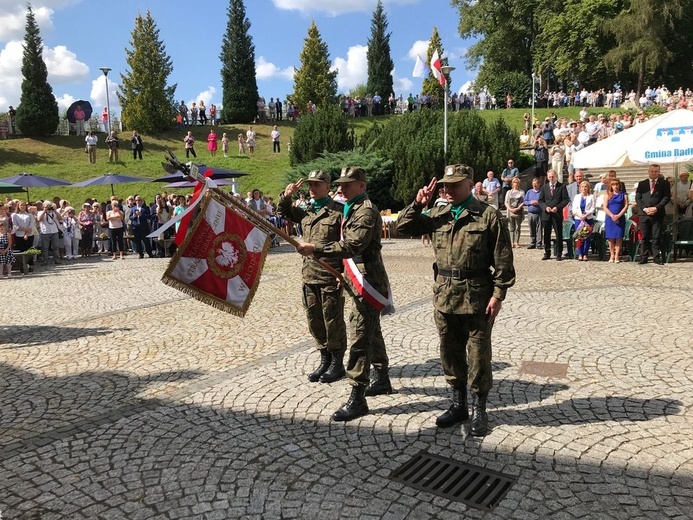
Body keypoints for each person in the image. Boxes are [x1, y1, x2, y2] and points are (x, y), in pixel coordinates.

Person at [396, 164, 516, 436]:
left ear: (470, 184)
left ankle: (479, 408)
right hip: (445, 297)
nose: (447, 189)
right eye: (445, 185)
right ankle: (458, 404)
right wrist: (418, 202)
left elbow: (503, 262)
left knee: (478, 356)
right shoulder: (437, 214)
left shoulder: (488, 216)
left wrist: (499, 295)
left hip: (477, 298)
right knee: (449, 353)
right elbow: (404, 226)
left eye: (454, 185)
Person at [296, 167, 393, 422]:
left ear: (362, 185)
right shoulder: (351, 207)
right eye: (340, 184)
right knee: (371, 330)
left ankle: (357, 397)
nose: (341, 188)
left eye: (347, 185)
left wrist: (315, 248)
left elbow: (352, 245)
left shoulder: (366, 210)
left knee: (359, 336)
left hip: (367, 280)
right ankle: (381, 378)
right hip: (357, 278)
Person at [278, 171, 347, 384]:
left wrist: (344, 272)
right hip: (309, 274)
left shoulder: (339, 211)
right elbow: (284, 213)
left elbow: (347, 244)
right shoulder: (307, 210)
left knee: (332, 320)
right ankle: (324, 358)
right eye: (310, 184)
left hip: (330, 273)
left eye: (317, 184)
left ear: (327, 186)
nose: (312, 188)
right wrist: (287, 195)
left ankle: (337, 363)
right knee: (314, 319)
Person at [636, 164, 670, 264]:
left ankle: (656, 257)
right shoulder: (642, 183)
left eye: (656, 171)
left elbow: (666, 197)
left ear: (658, 172)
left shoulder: (664, 183)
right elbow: (638, 198)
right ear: (648, 171)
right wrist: (645, 209)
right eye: (652, 171)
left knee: (656, 236)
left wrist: (656, 208)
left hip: (657, 213)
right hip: (644, 214)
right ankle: (644, 257)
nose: (654, 173)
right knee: (644, 236)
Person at [539, 169, 570, 260]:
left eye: (552, 176)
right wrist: (545, 207)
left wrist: (558, 207)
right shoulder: (544, 187)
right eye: (549, 177)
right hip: (547, 214)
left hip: (557, 214)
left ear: (556, 176)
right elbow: (541, 201)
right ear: (547, 178)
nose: (551, 178)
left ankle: (559, 253)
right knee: (546, 234)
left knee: (558, 234)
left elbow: (566, 199)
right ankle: (547, 252)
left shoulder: (562, 186)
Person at [604, 178, 628, 262]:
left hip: (620, 217)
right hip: (610, 218)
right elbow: (605, 207)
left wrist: (618, 215)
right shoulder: (608, 194)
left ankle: (617, 255)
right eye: (613, 185)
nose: (615, 186)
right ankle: (612, 255)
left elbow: (625, 206)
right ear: (611, 186)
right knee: (610, 237)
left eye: (617, 184)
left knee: (619, 237)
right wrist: (611, 215)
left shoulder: (623, 195)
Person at [571, 181, 595, 261]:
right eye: (582, 186)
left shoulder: (591, 197)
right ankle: (580, 253)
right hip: (579, 219)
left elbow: (592, 208)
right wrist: (580, 216)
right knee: (579, 237)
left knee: (587, 237)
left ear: (588, 188)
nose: (584, 188)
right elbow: (574, 209)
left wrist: (585, 215)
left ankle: (585, 253)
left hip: (588, 219)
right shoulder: (577, 197)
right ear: (580, 188)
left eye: (585, 186)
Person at [505, 177, 525, 248]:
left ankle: (516, 242)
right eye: (514, 183)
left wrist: (518, 208)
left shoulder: (521, 192)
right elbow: (506, 202)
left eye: (517, 183)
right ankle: (511, 242)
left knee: (518, 227)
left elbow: (523, 201)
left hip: (518, 211)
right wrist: (510, 209)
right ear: (512, 184)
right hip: (511, 211)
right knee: (511, 227)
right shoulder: (509, 192)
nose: (516, 184)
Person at [524, 177, 543, 249]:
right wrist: (530, 202)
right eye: (533, 184)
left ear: (539, 184)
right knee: (532, 228)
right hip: (531, 213)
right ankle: (532, 242)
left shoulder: (541, 192)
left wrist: (538, 202)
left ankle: (539, 243)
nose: (534, 185)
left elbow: (544, 201)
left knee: (539, 229)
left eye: (536, 184)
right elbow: (525, 201)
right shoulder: (529, 192)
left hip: (539, 213)